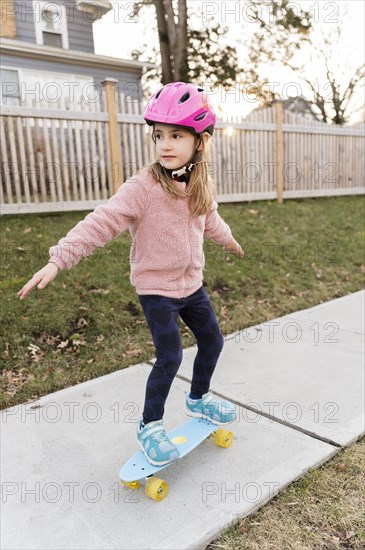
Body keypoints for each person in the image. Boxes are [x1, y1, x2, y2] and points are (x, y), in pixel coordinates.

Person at [17, 82, 245, 467]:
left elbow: (210, 219)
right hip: (157, 289)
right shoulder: (142, 187)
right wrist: (59, 259)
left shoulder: (198, 184)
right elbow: (101, 222)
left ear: (200, 142)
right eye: (159, 135)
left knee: (213, 341)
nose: (165, 145)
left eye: (176, 136)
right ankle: (150, 425)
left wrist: (229, 240)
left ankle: (198, 398)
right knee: (169, 357)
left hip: (192, 286)